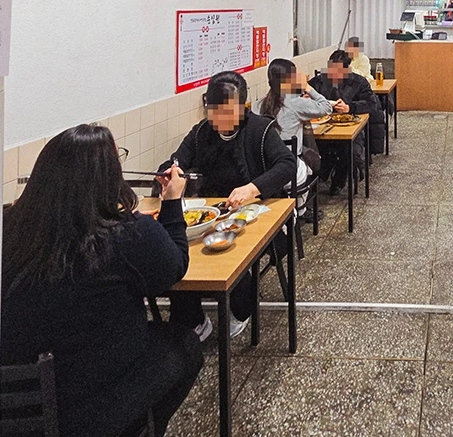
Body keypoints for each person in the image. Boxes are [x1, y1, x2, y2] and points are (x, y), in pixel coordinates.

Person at [1, 125, 202, 437]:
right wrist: (173, 201)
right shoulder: (126, 234)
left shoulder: (8, 230)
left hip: (9, 405)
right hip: (89, 402)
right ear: (106, 175)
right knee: (184, 343)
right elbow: (174, 266)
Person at [162, 71, 298, 339]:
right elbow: (177, 160)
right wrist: (170, 170)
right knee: (177, 250)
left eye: (228, 112)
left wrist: (252, 188)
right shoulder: (201, 133)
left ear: (243, 107)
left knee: (231, 253)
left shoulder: (260, 129)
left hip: (254, 214)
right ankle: (193, 320)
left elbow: (287, 164)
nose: (220, 119)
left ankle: (242, 309)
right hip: (210, 213)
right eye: (214, 112)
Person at [255, 57, 332, 213]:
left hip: (262, 174)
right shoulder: (295, 103)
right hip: (289, 174)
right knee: (311, 162)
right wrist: (306, 87)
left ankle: (293, 207)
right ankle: (300, 208)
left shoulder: (258, 105)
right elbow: (326, 107)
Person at [310, 50, 380, 195]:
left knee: (350, 151)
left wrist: (349, 108)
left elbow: (371, 104)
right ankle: (320, 176)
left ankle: (339, 180)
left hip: (352, 128)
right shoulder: (318, 82)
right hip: (323, 128)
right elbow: (302, 98)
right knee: (313, 148)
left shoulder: (359, 82)